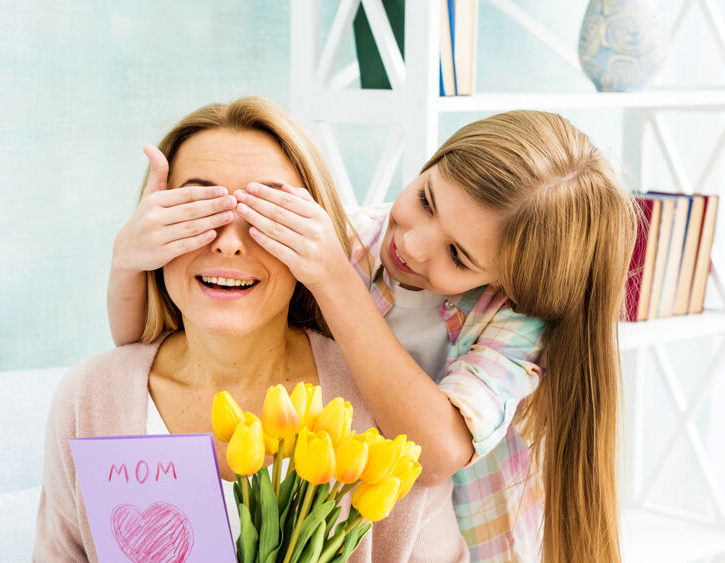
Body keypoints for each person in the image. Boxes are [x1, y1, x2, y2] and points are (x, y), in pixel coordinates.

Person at [108, 109, 636, 563]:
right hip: (344, 525)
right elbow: (140, 345)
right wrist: (127, 261)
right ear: (430, 163)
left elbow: (436, 456)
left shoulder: (514, 323)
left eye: (459, 255)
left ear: (505, 280)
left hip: (464, 541)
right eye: (427, 200)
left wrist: (335, 280)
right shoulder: (354, 235)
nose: (414, 243)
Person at [34, 97, 468, 562]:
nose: (230, 244)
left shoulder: (380, 412)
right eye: (197, 210)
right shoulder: (89, 396)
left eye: (267, 216)